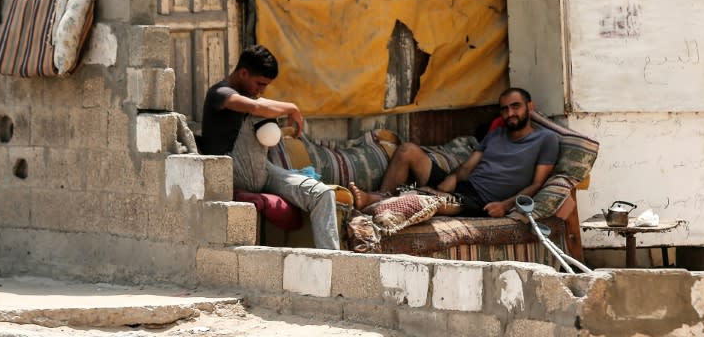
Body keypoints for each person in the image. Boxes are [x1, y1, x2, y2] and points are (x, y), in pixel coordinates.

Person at [201, 45, 340, 249]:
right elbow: (256, 107)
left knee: (322, 194)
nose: (261, 89)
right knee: (258, 111)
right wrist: (291, 108)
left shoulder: (252, 96)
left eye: (265, 85)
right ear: (243, 73)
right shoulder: (220, 93)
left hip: (261, 170)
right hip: (233, 171)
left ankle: (331, 263)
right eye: (259, 83)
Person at [350, 87, 560, 217]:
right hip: (463, 187)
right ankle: (382, 198)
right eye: (504, 109)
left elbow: (537, 184)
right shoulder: (496, 134)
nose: (510, 113)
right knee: (407, 151)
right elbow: (468, 167)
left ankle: (371, 202)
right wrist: (451, 178)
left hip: (480, 202)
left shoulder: (545, 139)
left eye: (516, 107)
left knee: (430, 198)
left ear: (529, 107)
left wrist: (505, 206)